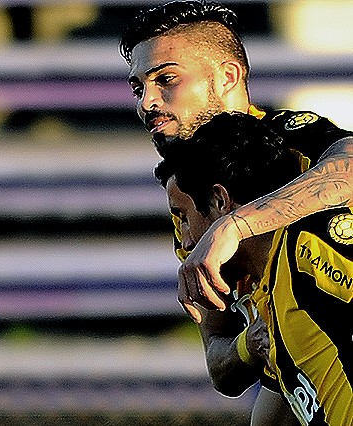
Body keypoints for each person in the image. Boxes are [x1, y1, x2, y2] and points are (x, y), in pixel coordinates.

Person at [120, 1, 352, 424]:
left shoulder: (294, 146)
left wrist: (237, 225)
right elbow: (220, 361)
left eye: (165, 80)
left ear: (228, 77)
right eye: (139, 88)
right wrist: (253, 345)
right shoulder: (187, 198)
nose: (147, 102)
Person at [156, 111, 353, 426]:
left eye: (184, 217)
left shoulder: (310, 250)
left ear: (221, 200)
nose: (188, 241)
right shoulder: (268, 299)